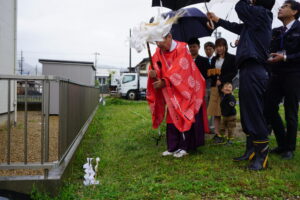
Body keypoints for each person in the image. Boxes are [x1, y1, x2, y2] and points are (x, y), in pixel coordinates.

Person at [207, 0, 275, 170]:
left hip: (254, 68)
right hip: (246, 69)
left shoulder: (262, 14)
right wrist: (218, 20)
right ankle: (251, 149)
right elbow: (237, 27)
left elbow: (239, 7)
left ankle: (262, 155)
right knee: (246, 112)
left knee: (254, 112)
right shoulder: (253, 23)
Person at [147, 33, 209, 158]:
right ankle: (172, 146)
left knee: (184, 115)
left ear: (169, 37)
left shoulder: (182, 49)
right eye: (156, 42)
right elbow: (156, 65)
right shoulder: (159, 51)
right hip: (170, 90)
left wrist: (164, 81)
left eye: (160, 41)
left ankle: (184, 147)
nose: (158, 44)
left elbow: (181, 69)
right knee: (171, 117)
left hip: (187, 89)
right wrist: (153, 72)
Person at [265, 0, 300, 160]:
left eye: (285, 6)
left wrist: (285, 57)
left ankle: (289, 148)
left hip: (293, 74)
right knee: (269, 108)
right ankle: (282, 143)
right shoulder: (276, 31)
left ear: (294, 12)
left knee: (290, 111)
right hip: (276, 74)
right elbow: (268, 48)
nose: (280, 8)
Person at [206, 38, 237, 144]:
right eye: (217, 46)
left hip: (226, 88)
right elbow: (210, 73)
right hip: (215, 87)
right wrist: (215, 78)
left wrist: (222, 80)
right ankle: (218, 134)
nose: (219, 48)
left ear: (225, 47)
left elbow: (234, 72)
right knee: (216, 112)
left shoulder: (232, 58)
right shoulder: (214, 59)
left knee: (227, 112)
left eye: (221, 46)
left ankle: (229, 136)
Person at [187, 38, 211, 106]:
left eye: (194, 46)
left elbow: (208, 76)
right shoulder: (185, 60)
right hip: (188, 90)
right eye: (190, 47)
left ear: (199, 47)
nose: (192, 49)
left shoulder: (205, 60)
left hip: (201, 90)